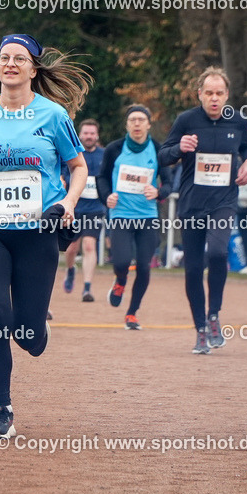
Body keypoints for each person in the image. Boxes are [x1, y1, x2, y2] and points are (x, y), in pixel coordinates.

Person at [0, 32, 89, 439]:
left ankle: (36, 328)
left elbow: (78, 167)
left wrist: (70, 203)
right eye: (4, 58)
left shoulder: (53, 116)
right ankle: (2, 409)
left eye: (19, 58)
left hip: (39, 231)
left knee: (29, 335)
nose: (10, 64)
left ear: (33, 68)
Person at [158, 66, 247, 355]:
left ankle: (214, 315)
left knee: (218, 252)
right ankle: (200, 328)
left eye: (219, 93)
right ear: (199, 94)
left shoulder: (237, 121)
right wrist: (180, 148)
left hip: (223, 201)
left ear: (227, 95)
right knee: (193, 268)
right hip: (191, 203)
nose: (214, 98)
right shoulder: (186, 120)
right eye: (209, 93)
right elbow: (163, 155)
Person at [97, 105, 172, 329]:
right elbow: (101, 178)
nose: (137, 124)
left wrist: (159, 192)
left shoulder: (159, 150)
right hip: (120, 214)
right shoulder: (114, 149)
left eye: (141, 120)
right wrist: (106, 196)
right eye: (132, 120)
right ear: (127, 124)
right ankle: (120, 280)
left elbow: (169, 183)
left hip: (147, 217)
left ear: (149, 124)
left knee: (144, 266)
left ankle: (132, 313)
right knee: (120, 261)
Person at [62, 119, 105, 302]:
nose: (88, 136)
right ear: (80, 135)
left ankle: (87, 287)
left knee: (89, 245)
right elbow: (61, 173)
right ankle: (71, 270)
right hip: (74, 207)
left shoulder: (104, 154)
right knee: (71, 248)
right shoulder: (71, 153)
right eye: (85, 133)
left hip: (95, 207)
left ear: (97, 136)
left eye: (92, 133)